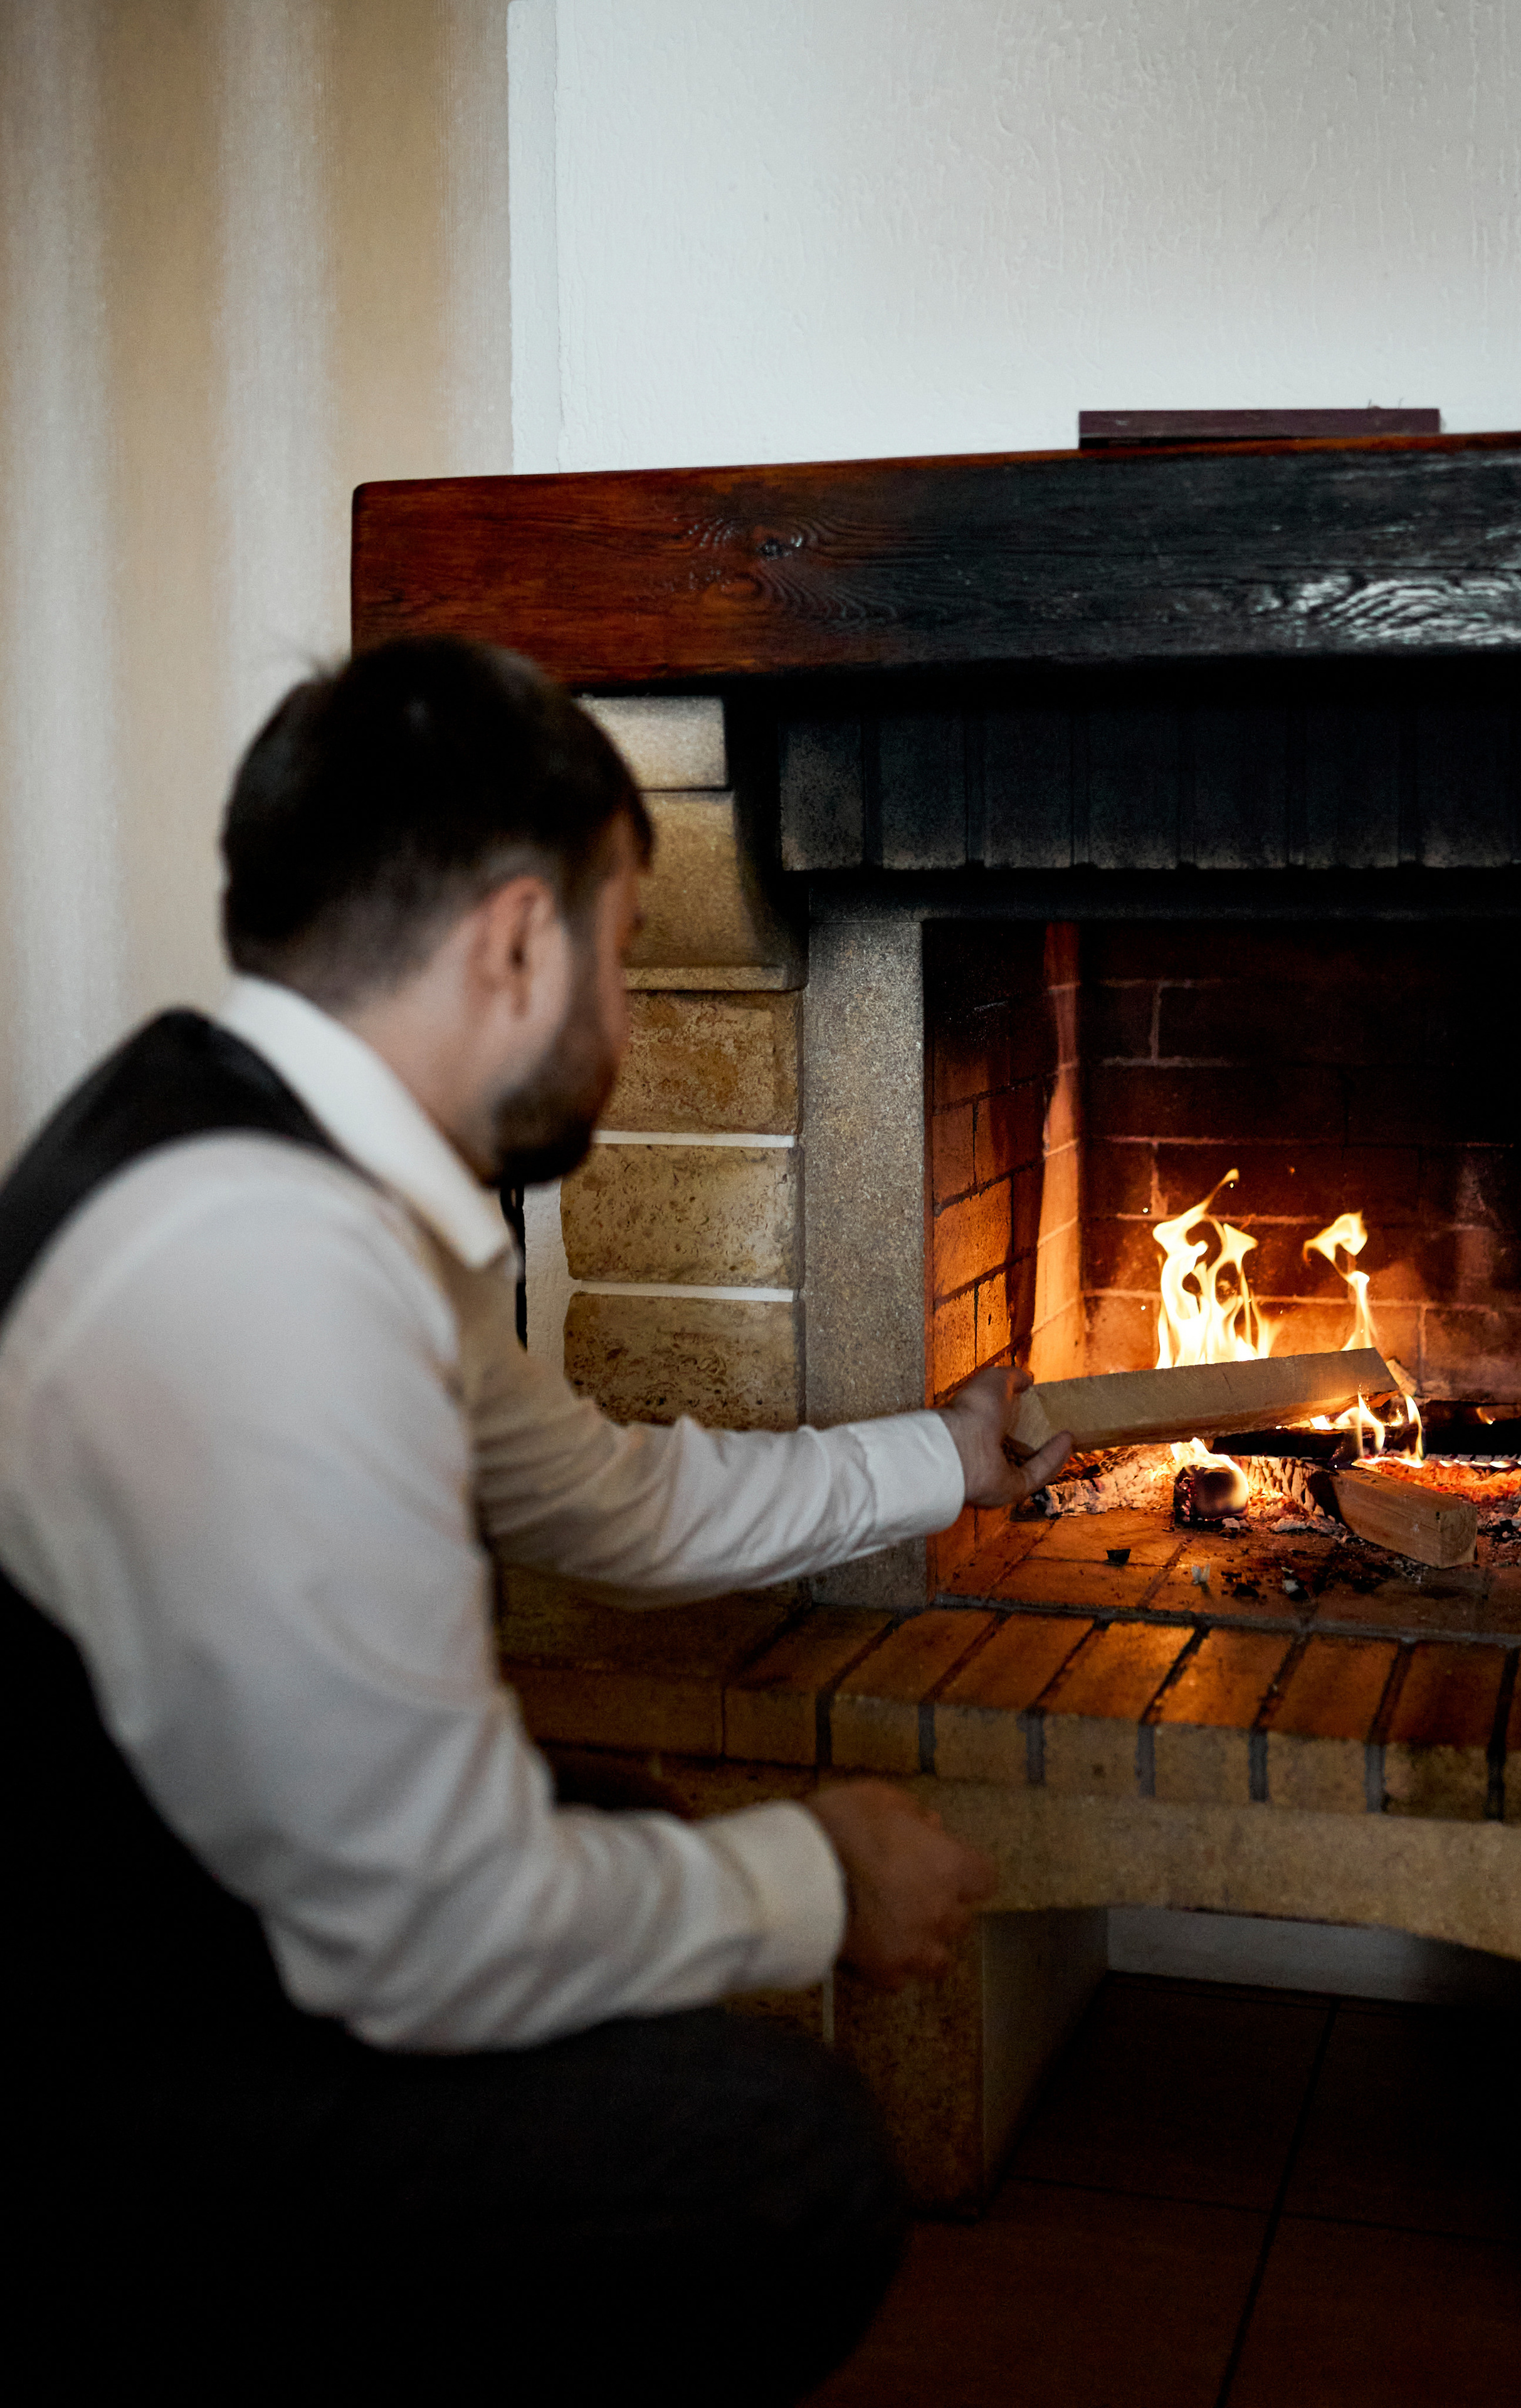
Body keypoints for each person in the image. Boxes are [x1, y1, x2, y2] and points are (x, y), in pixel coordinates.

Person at [1, 637, 1072, 2400]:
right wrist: (820, 1874)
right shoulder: (275, 1269)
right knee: (784, 2159)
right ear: (515, 940)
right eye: (629, 951)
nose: (633, 1021)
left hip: (170, 1893)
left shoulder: (290, 1167)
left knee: (621, 1816)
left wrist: (945, 1461)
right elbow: (438, 1931)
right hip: (99, 2051)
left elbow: (612, 1497)